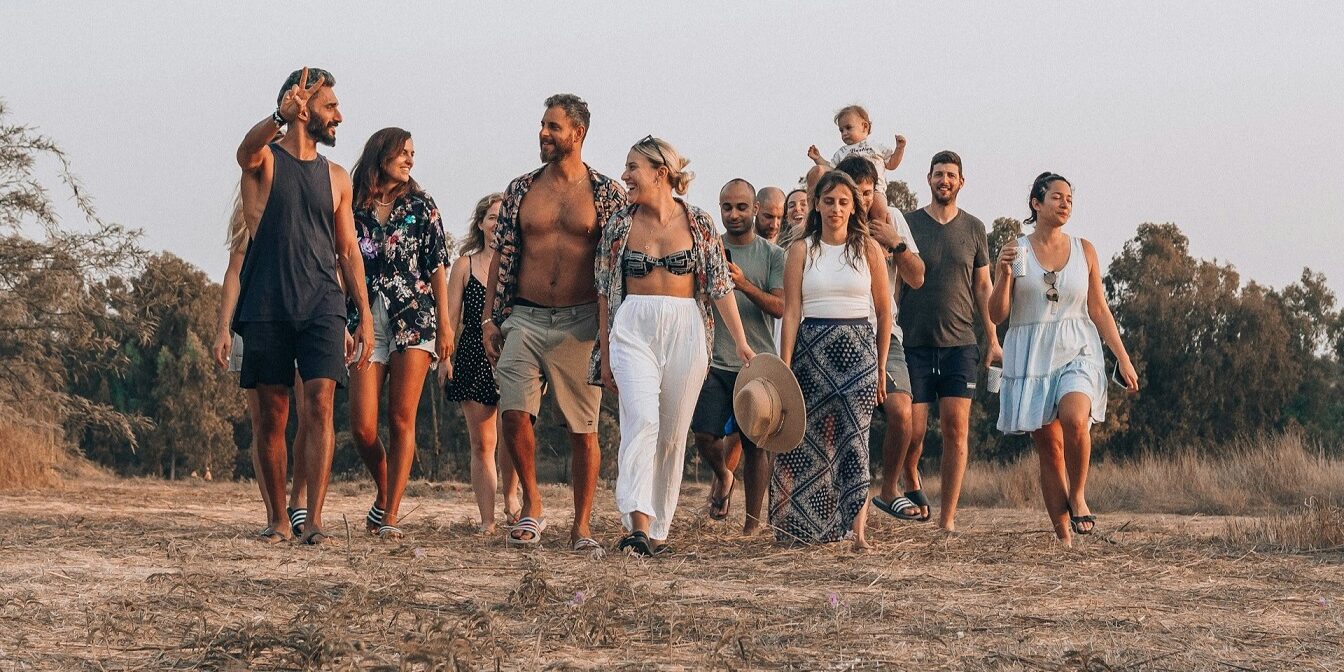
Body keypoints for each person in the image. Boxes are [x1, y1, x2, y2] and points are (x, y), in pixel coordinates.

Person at [233, 67, 373, 546]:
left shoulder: (337, 178)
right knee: (270, 416)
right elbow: (244, 151)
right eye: (331, 107)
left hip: (322, 304)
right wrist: (277, 116)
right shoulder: (265, 162)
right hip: (266, 302)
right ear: (303, 108)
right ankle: (276, 519)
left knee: (320, 404)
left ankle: (313, 520)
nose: (340, 116)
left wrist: (365, 314)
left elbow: (348, 249)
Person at [595, 139, 756, 556]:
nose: (626, 176)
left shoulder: (699, 222)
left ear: (660, 173)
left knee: (671, 434)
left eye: (633, 167)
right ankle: (636, 521)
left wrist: (740, 342)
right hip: (632, 325)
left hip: (686, 327)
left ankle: (659, 527)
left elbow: (719, 287)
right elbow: (602, 290)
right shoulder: (619, 223)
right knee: (642, 421)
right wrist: (606, 350)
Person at [482, 94, 626, 553]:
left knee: (583, 429)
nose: (543, 133)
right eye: (542, 125)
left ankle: (581, 526)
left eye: (553, 126)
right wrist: (489, 317)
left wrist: (612, 333)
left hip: (581, 319)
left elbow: (616, 265)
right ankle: (532, 504)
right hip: (523, 314)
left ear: (577, 133)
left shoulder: (605, 192)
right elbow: (502, 254)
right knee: (513, 411)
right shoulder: (522, 188)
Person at [990, 172, 1138, 545]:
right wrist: (1004, 273)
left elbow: (1100, 309)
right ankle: (1064, 539)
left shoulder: (1085, 249)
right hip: (1031, 353)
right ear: (1036, 204)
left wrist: (1123, 356)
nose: (1065, 203)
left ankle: (1079, 494)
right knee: (1050, 449)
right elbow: (996, 313)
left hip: (1078, 347)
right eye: (1056, 197)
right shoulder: (1017, 250)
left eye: (1069, 198)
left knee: (1075, 418)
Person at [775, 171, 890, 551]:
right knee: (805, 442)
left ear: (855, 205)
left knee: (855, 441)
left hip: (859, 355)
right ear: (817, 205)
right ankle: (802, 526)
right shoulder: (802, 250)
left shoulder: (869, 249)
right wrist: (784, 367)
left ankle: (857, 533)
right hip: (812, 351)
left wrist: (882, 367)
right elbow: (791, 312)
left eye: (844, 202)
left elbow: (885, 312)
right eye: (829, 201)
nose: (836, 209)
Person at [346, 127, 451, 539]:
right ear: (381, 154)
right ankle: (385, 484)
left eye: (412, 153)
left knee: (401, 417)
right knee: (363, 427)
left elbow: (438, 265)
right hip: (365, 320)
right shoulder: (354, 206)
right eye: (402, 153)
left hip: (415, 319)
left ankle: (389, 515)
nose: (409, 159)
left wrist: (445, 325)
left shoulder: (422, 205)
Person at [898, 151, 999, 532]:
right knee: (914, 430)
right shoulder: (908, 224)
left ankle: (947, 520)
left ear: (961, 182)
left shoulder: (974, 228)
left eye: (951, 175)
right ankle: (910, 474)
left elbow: (983, 286)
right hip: (914, 343)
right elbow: (894, 278)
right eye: (939, 174)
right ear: (929, 179)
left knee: (957, 431)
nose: (945, 180)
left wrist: (992, 337)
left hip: (960, 344)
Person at [827, 157, 929, 524]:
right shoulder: (832, 224)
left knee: (903, 413)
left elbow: (917, 278)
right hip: (839, 333)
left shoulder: (892, 220)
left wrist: (896, 243)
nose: (863, 201)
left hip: (887, 333)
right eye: (855, 194)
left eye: (868, 193)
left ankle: (888, 491)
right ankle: (838, 496)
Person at [212, 187, 310, 541]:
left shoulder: (309, 201)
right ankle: (275, 513)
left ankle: (300, 501)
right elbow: (233, 272)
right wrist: (224, 327)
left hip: (304, 317)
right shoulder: (247, 214)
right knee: (265, 422)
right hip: (255, 319)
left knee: (310, 414)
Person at [690, 179, 784, 536]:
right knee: (703, 434)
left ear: (755, 210)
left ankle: (751, 526)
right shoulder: (708, 248)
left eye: (741, 207)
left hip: (756, 363)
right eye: (726, 208)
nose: (733, 215)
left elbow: (781, 307)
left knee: (755, 445)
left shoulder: (774, 255)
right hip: (713, 359)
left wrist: (743, 285)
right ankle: (723, 475)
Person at [443, 193, 522, 534]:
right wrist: (443, 359)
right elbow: (450, 319)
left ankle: (513, 500)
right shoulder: (464, 264)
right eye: (491, 217)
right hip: (474, 355)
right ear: (481, 224)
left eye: (503, 217)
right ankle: (487, 520)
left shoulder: (521, 265)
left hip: (516, 354)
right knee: (483, 443)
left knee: (515, 434)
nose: (497, 223)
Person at [806, 104, 907, 225]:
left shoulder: (876, 147)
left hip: (875, 190)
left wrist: (900, 148)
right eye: (841, 130)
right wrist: (818, 158)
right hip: (849, 191)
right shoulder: (842, 152)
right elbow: (831, 169)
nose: (844, 133)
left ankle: (879, 240)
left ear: (864, 127)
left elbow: (891, 164)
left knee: (880, 215)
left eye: (848, 128)